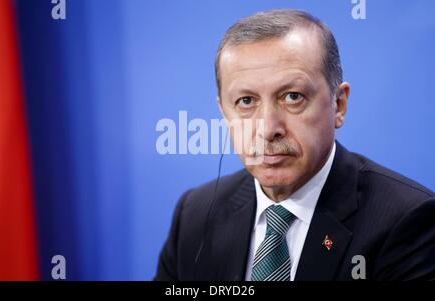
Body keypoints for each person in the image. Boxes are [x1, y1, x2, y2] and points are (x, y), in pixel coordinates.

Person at [155, 9, 435, 281]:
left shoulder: (406, 221)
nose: (268, 129)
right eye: (246, 101)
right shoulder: (195, 215)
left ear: (338, 105)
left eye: (292, 96)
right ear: (224, 112)